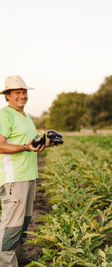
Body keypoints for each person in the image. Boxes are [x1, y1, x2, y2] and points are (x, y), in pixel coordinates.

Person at [0, 75, 46, 266]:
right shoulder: (5, 115)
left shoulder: (26, 117)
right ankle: (6, 262)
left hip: (28, 176)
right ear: (7, 96)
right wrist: (25, 148)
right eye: (17, 92)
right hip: (14, 179)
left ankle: (19, 259)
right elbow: (0, 146)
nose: (22, 95)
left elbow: (28, 143)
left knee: (23, 224)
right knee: (11, 227)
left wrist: (44, 142)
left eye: (24, 92)